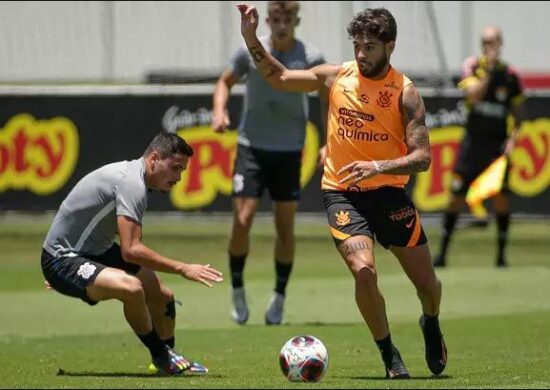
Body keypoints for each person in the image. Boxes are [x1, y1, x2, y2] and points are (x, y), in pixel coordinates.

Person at [236, 3, 447, 379]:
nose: (362, 54)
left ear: (390, 47)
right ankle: (390, 356)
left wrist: (378, 166)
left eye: (371, 47)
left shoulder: (405, 93)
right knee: (364, 272)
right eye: (358, 45)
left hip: (390, 196)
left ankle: (430, 322)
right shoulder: (336, 77)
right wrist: (251, 36)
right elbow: (280, 77)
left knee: (428, 286)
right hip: (342, 193)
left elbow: (422, 157)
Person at [41, 131, 224, 376]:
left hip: (95, 252)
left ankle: (167, 361)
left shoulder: (136, 179)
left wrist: (93, 274)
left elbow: (128, 242)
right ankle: (162, 356)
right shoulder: (132, 183)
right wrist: (183, 268)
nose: (179, 177)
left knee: (163, 297)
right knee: (132, 288)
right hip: (64, 258)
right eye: (176, 168)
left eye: (182, 170)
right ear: (154, 159)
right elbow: (131, 251)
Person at [212, 0, 325, 326]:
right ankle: (237, 286)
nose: (282, 24)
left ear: (296, 20)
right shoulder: (249, 49)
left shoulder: (311, 56)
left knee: (285, 227)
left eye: (288, 17)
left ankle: (279, 296)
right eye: (276, 17)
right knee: (243, 218)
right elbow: (224, 82)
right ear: (270, 19)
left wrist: (329, 140)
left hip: (290, 150)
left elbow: (326, 96)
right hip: (252, 147)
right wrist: (220, 110)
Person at [433, 26, 525, 268]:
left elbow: (518, 114)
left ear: (500, 44)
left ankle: (501, 256)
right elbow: (473, 96)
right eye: (485, 42)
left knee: (501, 199)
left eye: (493, 42)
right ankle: (442, 254)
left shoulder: (511, 76)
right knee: (455, 197)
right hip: (472, 146)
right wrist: (488, 72)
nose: (489, 46)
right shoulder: (472, 67)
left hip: (497, 149)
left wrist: (513, 139)